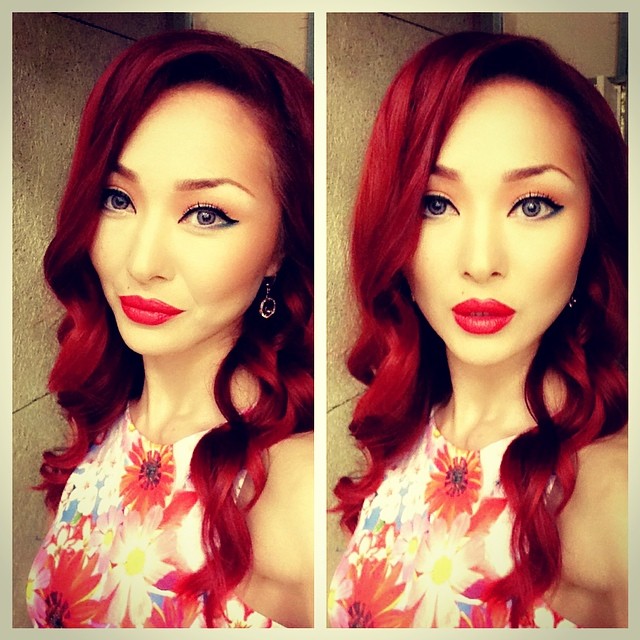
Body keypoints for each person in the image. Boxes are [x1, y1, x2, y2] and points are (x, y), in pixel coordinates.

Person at [329, 31, 627, 628]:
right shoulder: (411, 431)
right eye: (435, 204)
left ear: (594, 227)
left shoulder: (613, 496)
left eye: (533, 205)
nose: (481, 261)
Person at [26, 29, 314, 628]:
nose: (142, 262)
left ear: (280, 248)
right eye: (117, 199)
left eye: (205, 213)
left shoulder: (292, 490)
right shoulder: (107, 425)